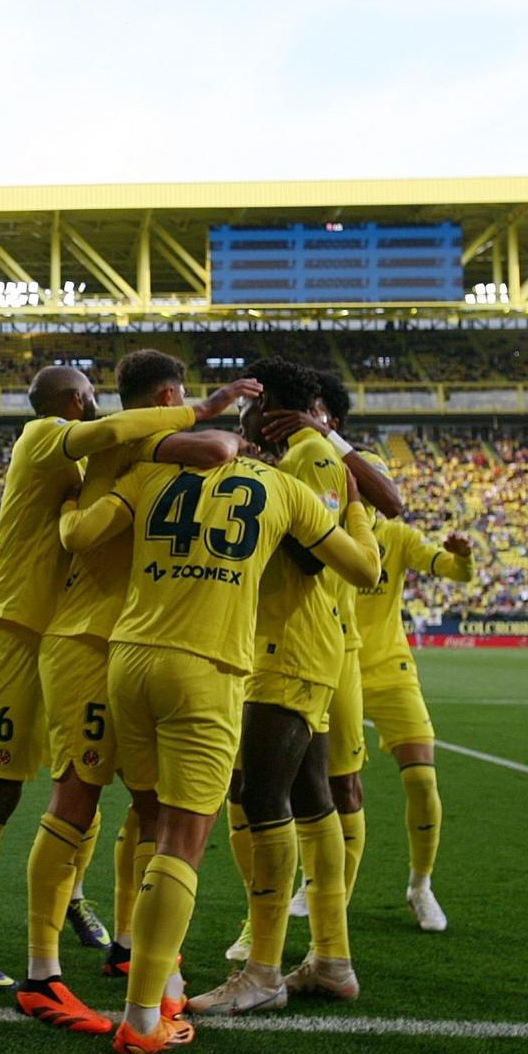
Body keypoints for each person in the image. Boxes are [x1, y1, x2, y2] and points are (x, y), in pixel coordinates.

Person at [0, 362, 256, 991]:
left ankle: (72, 894)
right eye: (92, 398)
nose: (101, 407)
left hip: (67, 633)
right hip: (13, 632)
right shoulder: (43, 435)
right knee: (1, 790)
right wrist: (204, 409)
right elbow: (118, 438)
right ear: (74, 402)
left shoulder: (85, 466)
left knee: (84, 772)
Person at [58, 416, 380, 1054]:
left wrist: (73, 496)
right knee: (183, 839)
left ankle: (163, 976)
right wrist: (355, 505)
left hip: (128, 660)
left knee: (150, 820)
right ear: (257, 448)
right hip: (205, 669)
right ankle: (145, 1019)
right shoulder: (281, 490)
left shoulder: (151, 474)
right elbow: (364, 572)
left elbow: (83, 533)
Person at [15, 350, 247, 1031]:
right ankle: (40, 974)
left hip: (127, 643)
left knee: (154, 806)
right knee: (77, 797)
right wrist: (222, 430)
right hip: (85, 639)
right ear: (169, 394)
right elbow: (206, 447)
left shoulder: (131, 442)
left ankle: (147, 955)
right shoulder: (137, 439)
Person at [195, 357, 368, 1013]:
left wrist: (255, 478)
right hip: (289, 641)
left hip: (291, 647)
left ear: (266, 408)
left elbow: (305, 548)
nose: (241, 419)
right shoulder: (299, 454)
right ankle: (330, 957)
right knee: (308, 796)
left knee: (259, 793)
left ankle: (262, 972)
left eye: (247, 407)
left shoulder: (312, 455)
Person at [261, 374, 403, 925]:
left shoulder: (352, 459)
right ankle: (310, 904)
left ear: (332, 419)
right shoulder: (288, 462)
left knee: (339, 780)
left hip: (336, 643)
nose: (295, 417)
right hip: (289, 637)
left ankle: (332, 900)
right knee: (283, 782)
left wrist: (325, 438)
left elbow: (392, 502)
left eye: (313, 410)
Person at [350, 514, 473, 932]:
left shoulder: (397, 536)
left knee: (422, 779)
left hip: (390, 670)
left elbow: (453, 571)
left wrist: (463, 558)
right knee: (328, 787)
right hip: (335, 667)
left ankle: (421, 886)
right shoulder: (323, 527)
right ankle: (316, 882)